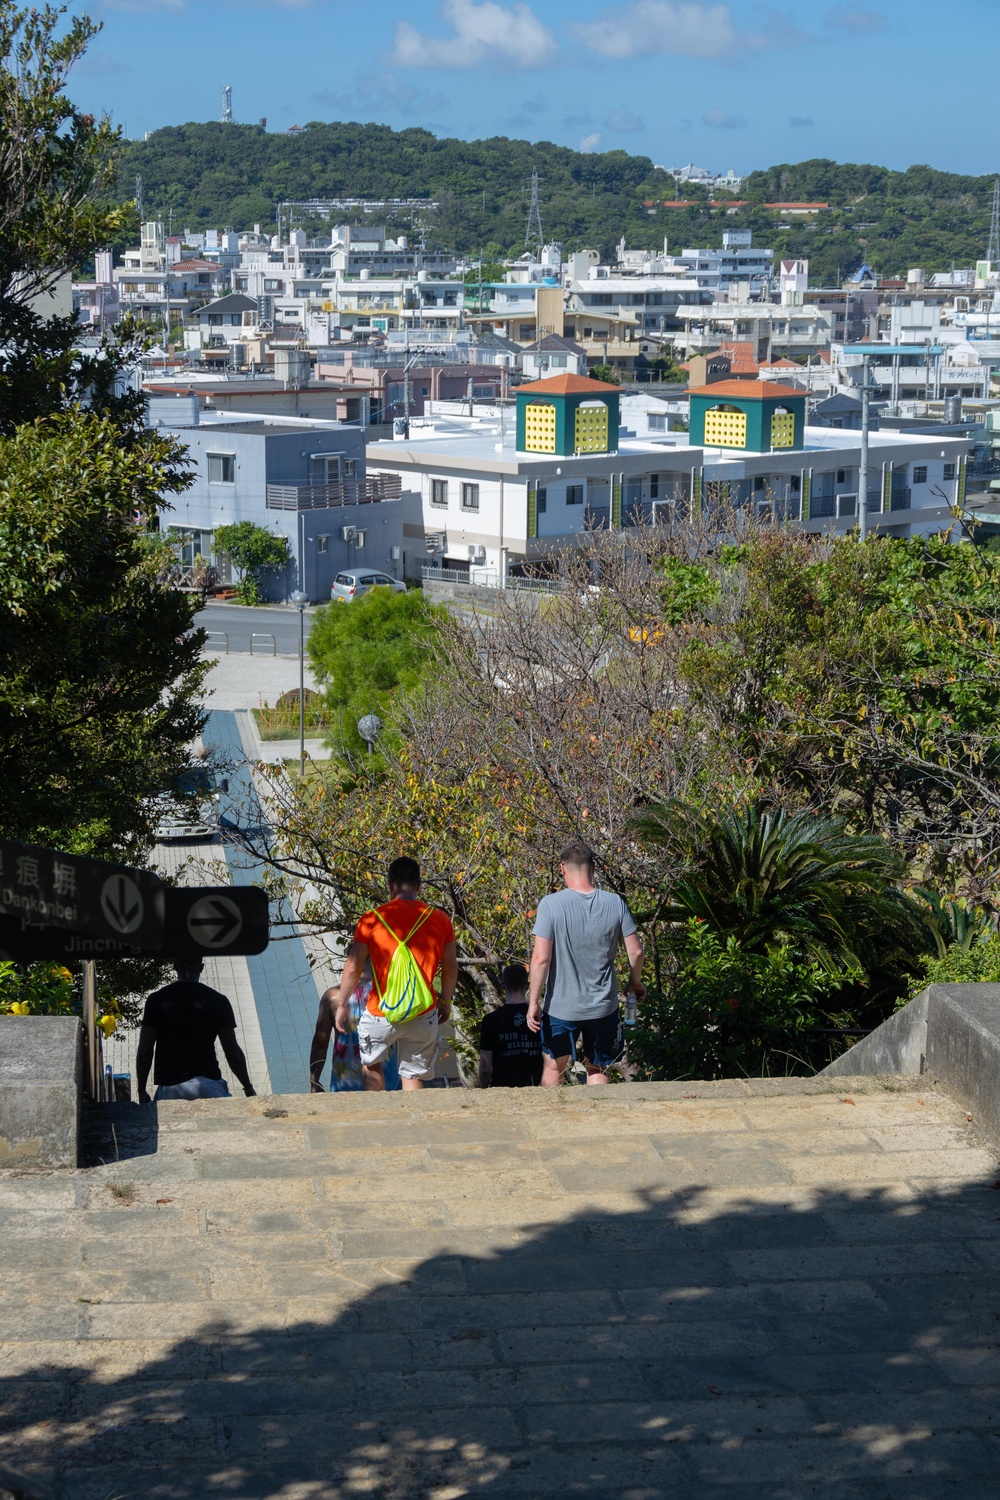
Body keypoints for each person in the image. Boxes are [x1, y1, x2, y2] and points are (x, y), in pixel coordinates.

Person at [333, 856, 457, 1091]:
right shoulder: (439, 919)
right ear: (419, 885)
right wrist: (446, 1001)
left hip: (380, 1011)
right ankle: (414, 1125)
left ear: (390, 884)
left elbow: (353, 966)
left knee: (371, 1066)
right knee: (412, 1075)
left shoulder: (371, 920)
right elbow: (450, 967)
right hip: (423, 1011)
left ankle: (378, 1122)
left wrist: (342, 1005)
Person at [527, 841, 645, 1087]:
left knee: (553, 1066)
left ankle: (553, 1121)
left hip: (561, 1008)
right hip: (603, 1007)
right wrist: (635, 982)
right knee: (598, 1067)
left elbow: (540, 959)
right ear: (593, 867)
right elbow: (635, 952)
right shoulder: (615, 903)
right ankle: (598, 1121)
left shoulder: (550, 904)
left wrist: (533, 1002)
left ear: (562, 869)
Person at [136, 959, 255, 1102]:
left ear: (175, 966)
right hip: (209, 1085)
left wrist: (141, 1091)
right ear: (201, 968)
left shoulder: (156, 999)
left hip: (171, 1088)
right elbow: (232, 1052)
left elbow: (145, 1051)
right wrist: (248, 1088)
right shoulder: (219, 1000)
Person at [309, 967, 401, 1093]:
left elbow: (320, 1044)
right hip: (386, 1078)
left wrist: (314, 1081)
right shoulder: (388, 995)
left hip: (345, 1082)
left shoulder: (332, 997)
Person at [479, 962, 543, 1088]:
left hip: (501, 1088)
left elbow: (485, 1067)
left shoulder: (490, 1020)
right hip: (535, 1088)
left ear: (503, 986)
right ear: (527, 985)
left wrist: (484, 1089)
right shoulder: (540, 1018)